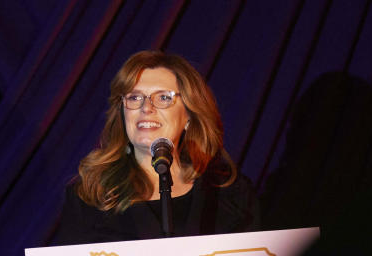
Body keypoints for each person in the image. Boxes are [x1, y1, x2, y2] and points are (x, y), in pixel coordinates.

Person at [54, 50, 259, 245]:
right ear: (123, 112)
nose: (146, 108)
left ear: (188, 114)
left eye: (163, 98)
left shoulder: (230, 193)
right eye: (134, 97)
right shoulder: (91, 196)